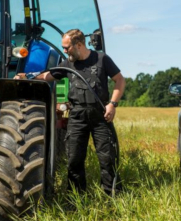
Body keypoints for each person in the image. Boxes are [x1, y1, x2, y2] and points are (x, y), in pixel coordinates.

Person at [15, 29, 125, 195]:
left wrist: (113, 104)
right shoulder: (68, 64)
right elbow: (48, 76)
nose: (64, 51)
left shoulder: (102, 59)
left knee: (108, 159)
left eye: (67, 48)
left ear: (79, 45)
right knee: (74, 160)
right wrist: (26, 76)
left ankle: (112, 197)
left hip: (100, 115)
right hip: (77, 115)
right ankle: (76, 198)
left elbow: (119, 80)